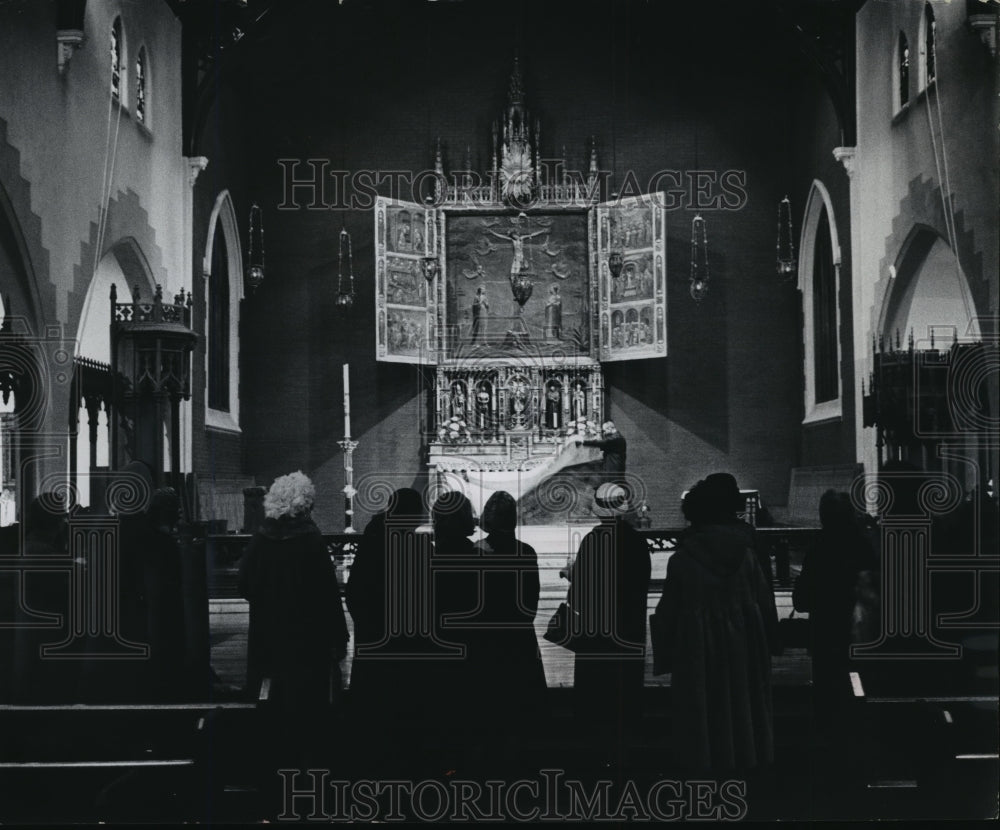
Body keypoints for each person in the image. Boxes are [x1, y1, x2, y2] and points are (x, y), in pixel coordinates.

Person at [652, 476, 779, 774]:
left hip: (698, 642)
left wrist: (666, 651)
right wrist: (772, 639)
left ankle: (706, 762)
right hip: (743, 638)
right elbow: (764, 600)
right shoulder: (746, 554)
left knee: (706, 705)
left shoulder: (682, 560)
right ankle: (746, 759)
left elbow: (668, 610)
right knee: (742, 700)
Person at [238, 471, 349, 763]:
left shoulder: (262, 538)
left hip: (268, 635)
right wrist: (338, 639)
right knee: (306, 708)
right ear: (305, 504)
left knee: (271, 702)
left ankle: (272, 758)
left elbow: (244, 584)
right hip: (306, 642)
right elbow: (327, 594)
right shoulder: (310, 540)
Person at [566, 483, 651, 750]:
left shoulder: (593, 540)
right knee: (626, 692)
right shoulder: (638, 542)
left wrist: (571, 573)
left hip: (598, 631)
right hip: (628, 627)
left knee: (597, 693)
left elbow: (580, 590)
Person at [792, 490, 876, 729]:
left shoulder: (818, 548)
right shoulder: (862, 546)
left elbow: (803, 599)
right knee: (859, 681)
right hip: (859, 628)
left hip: (825, 628)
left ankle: (829, 730)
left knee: (827, 686)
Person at [472, 492, 547, 745]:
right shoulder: (526, 552)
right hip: (519, 637)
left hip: (486, 641)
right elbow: (530, 602)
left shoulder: (477, 552)